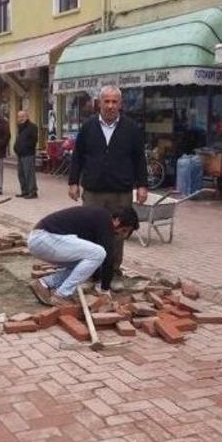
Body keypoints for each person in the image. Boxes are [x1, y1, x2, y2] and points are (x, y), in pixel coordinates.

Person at [68, 85, 148, 290]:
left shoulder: (131, 128)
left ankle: (113, 272)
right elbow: (77, 156)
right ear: (99, 103)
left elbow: (139, 158)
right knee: (89, 232)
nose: (110, 106)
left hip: (120, 192)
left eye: (114, 102)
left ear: (120, 104)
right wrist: (73, 181)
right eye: (107, 101)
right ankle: (91, 273)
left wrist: (142, 185)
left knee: (117, 234)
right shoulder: (88, 127)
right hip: (93, 190)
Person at [28, 205, 140, 306]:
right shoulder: (104, 219)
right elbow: (108, 257)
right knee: (99, 253)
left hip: (43, 241)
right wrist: (105, 289)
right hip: (44, 238)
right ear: (117, 220)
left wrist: (97, 279)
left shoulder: (97, 219)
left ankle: (44, 283)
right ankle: (62, 295)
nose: (121, 233)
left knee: (87, 261)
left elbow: (92, 264)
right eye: (124, 230)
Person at [14, 110, 39, 198]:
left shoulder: (32, 127)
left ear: (27, 117)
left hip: (28, 154)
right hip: (20, 154)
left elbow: (34, 140)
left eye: (22, 116)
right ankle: (24, 191)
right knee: (21, 173)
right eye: (19, 117)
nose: (20, 118)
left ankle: (32, 192)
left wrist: (25, 148)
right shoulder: (20, 127)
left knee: (29, 173)